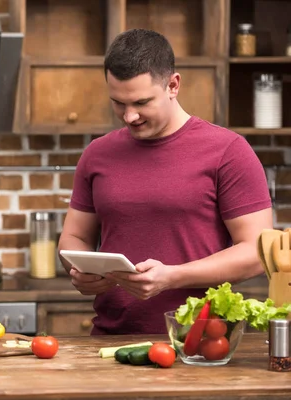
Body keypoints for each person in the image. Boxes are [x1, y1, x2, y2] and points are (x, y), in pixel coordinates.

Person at [58, 29, 272, 335]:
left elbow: (256, 252)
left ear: (173, 85)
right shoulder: (97, 154)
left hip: (201, 343)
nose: (129, 116)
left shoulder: (228, 151)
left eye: (142, 102)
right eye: (118, 103)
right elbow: (73, 238)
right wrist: (79, 271)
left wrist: (172, 276)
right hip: (110, 341)